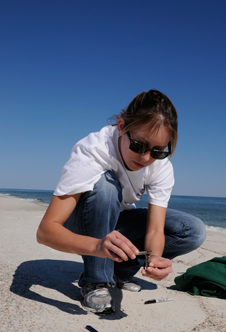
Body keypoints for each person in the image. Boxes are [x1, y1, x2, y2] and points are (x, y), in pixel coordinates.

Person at [37, 89, 206, 313]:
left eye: (157, 151)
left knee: (192, 230)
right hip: (81, 223)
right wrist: (97, 246)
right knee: (106, 186)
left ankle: (116, 273)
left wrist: (154, 260)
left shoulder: (159, 165)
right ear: (121, 127)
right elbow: (46, 231)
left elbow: (155, 230)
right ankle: (95, 279)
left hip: (117, 221)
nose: (146, 158)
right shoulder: (93, 151)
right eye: (138, 146)